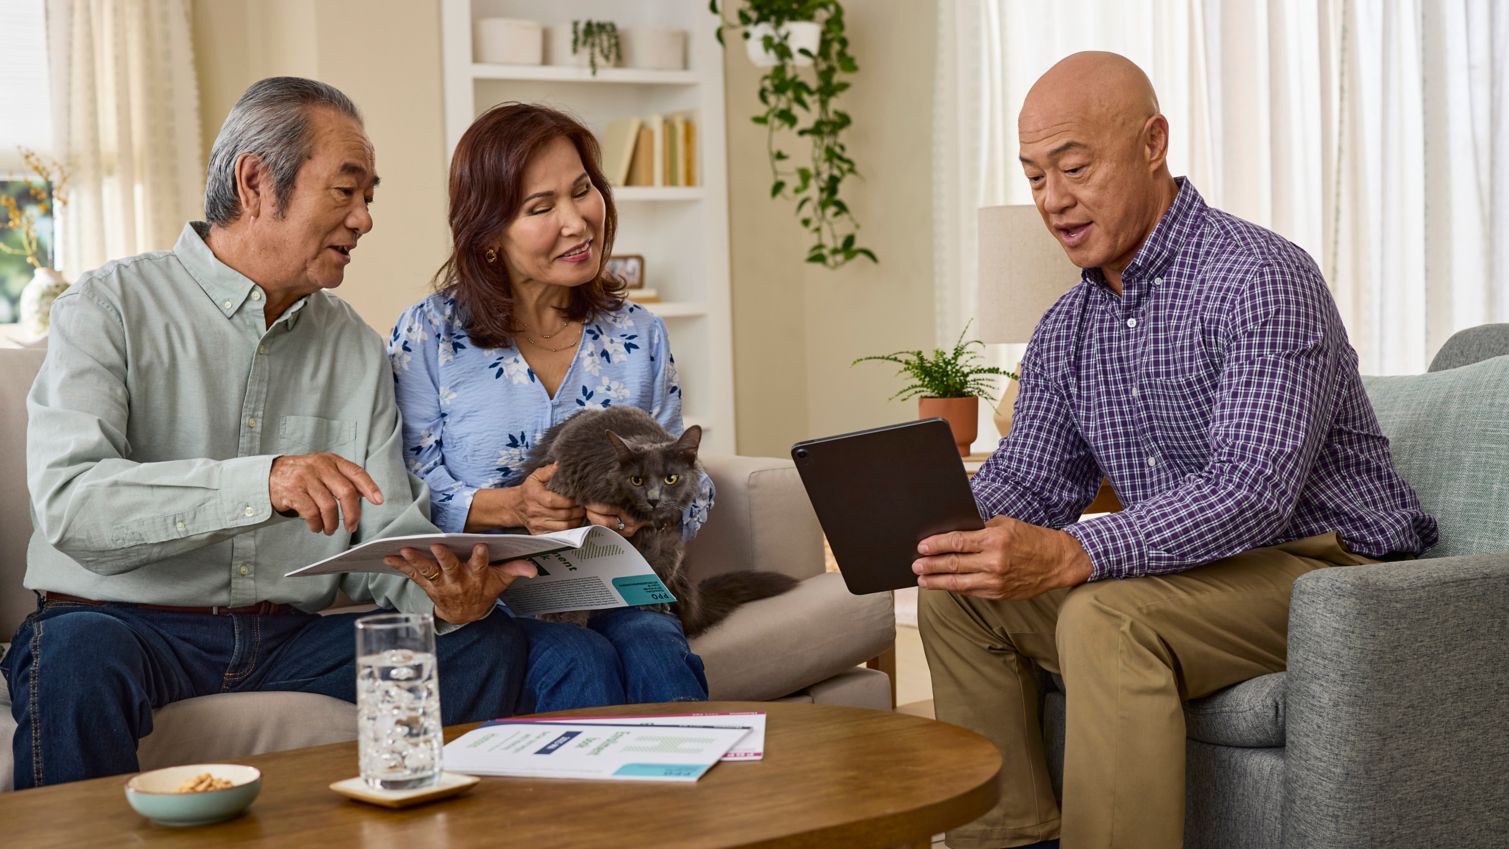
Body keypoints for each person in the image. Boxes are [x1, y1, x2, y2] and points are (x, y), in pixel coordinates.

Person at [915, 52, 1437, 849]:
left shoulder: (1260, 276)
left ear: (1153, 142)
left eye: (1074, 167)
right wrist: (932, 530)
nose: (1053, 201)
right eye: (1033, 177)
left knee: (1104, 616)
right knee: (957, 595)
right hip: (1194, 576)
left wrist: (1071, 552)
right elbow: (1028, 480)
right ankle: (1011, 840)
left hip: (1333, 573)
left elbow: (1250, 489)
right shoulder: (1067, 328)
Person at [2, 77, 536, 790]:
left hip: (289, 635)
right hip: (123, 621)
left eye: (369, 196)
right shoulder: (108, 307)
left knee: (486, 644)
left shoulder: (352, 345)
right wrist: (266, 479)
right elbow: (72, 504)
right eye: (345, 192)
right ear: (256, 182)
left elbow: (384, 527)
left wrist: (446, 595)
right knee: (74, 658)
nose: (364, 219)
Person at [389, 103, 714, 711]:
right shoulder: (428, 335)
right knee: (580, 662)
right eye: (541, 209)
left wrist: (643, 515)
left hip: (616, 582)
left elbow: (689, 478)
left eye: (582, 191)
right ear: (488, 235)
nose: (578, 222)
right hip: (493, 594)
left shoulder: (638, 334)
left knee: (653, 644)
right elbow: (405, 486)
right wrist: (512, 505)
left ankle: (695, 803)